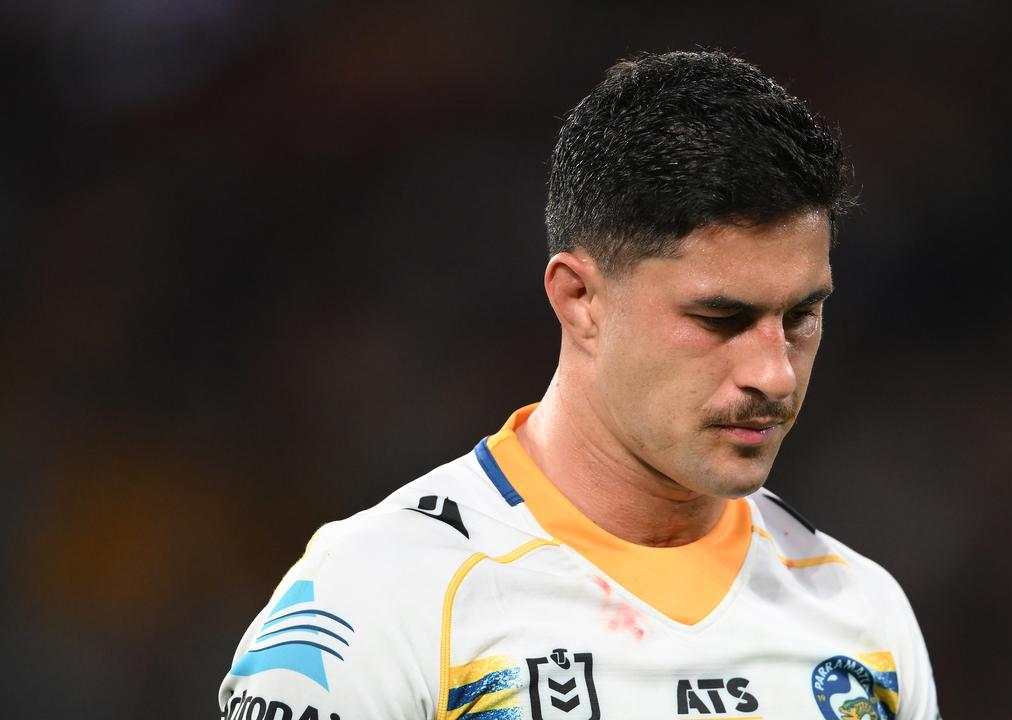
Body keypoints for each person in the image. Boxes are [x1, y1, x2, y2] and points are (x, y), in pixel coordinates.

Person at [218, 50, 940, 720]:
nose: (774, 373)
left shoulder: (861, 618)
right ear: (579, 300)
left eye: (803, 316)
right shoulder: (375, 606)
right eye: (720, 317)